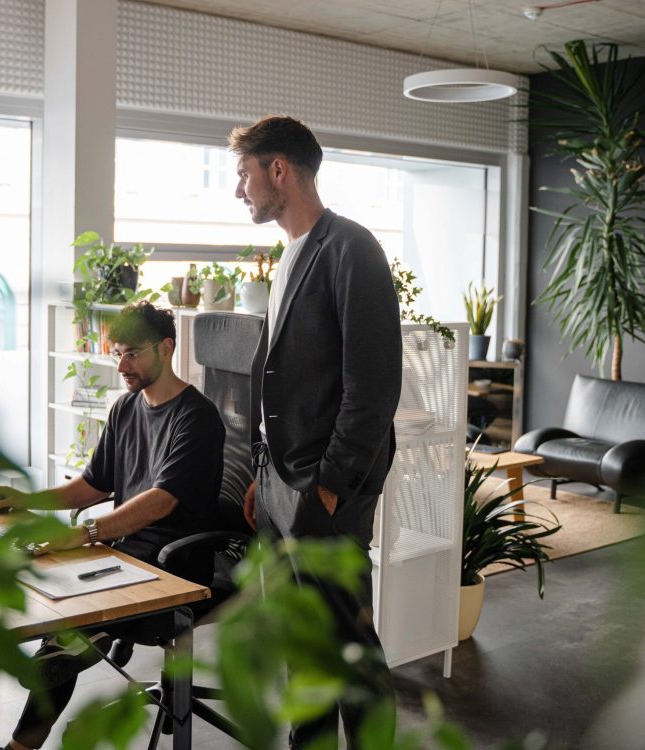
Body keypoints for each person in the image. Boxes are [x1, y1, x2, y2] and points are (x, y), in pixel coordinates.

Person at [0, 301, 225, 750]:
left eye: (133, 353)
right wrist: (26, 499)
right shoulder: (126, 407)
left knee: (71, 621)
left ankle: (26, 733)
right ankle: (59, 662)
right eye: (117, 353)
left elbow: (161, 500)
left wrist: (87, 533)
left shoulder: (197, 417)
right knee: (56, 591)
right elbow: (94, 484)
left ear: (166, 348)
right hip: (124, 554)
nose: (122, 365)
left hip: (174, 568)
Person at [230, 115, 402, 748]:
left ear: (279, 170)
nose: (239, 189)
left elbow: (374, 384)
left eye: (244, 174)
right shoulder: (288, 257)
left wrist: (329, 485)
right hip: (280, 484)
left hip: (324, 490)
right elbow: (279, 376)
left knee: (349, 650)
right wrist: (261, 471)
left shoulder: (350, 248)